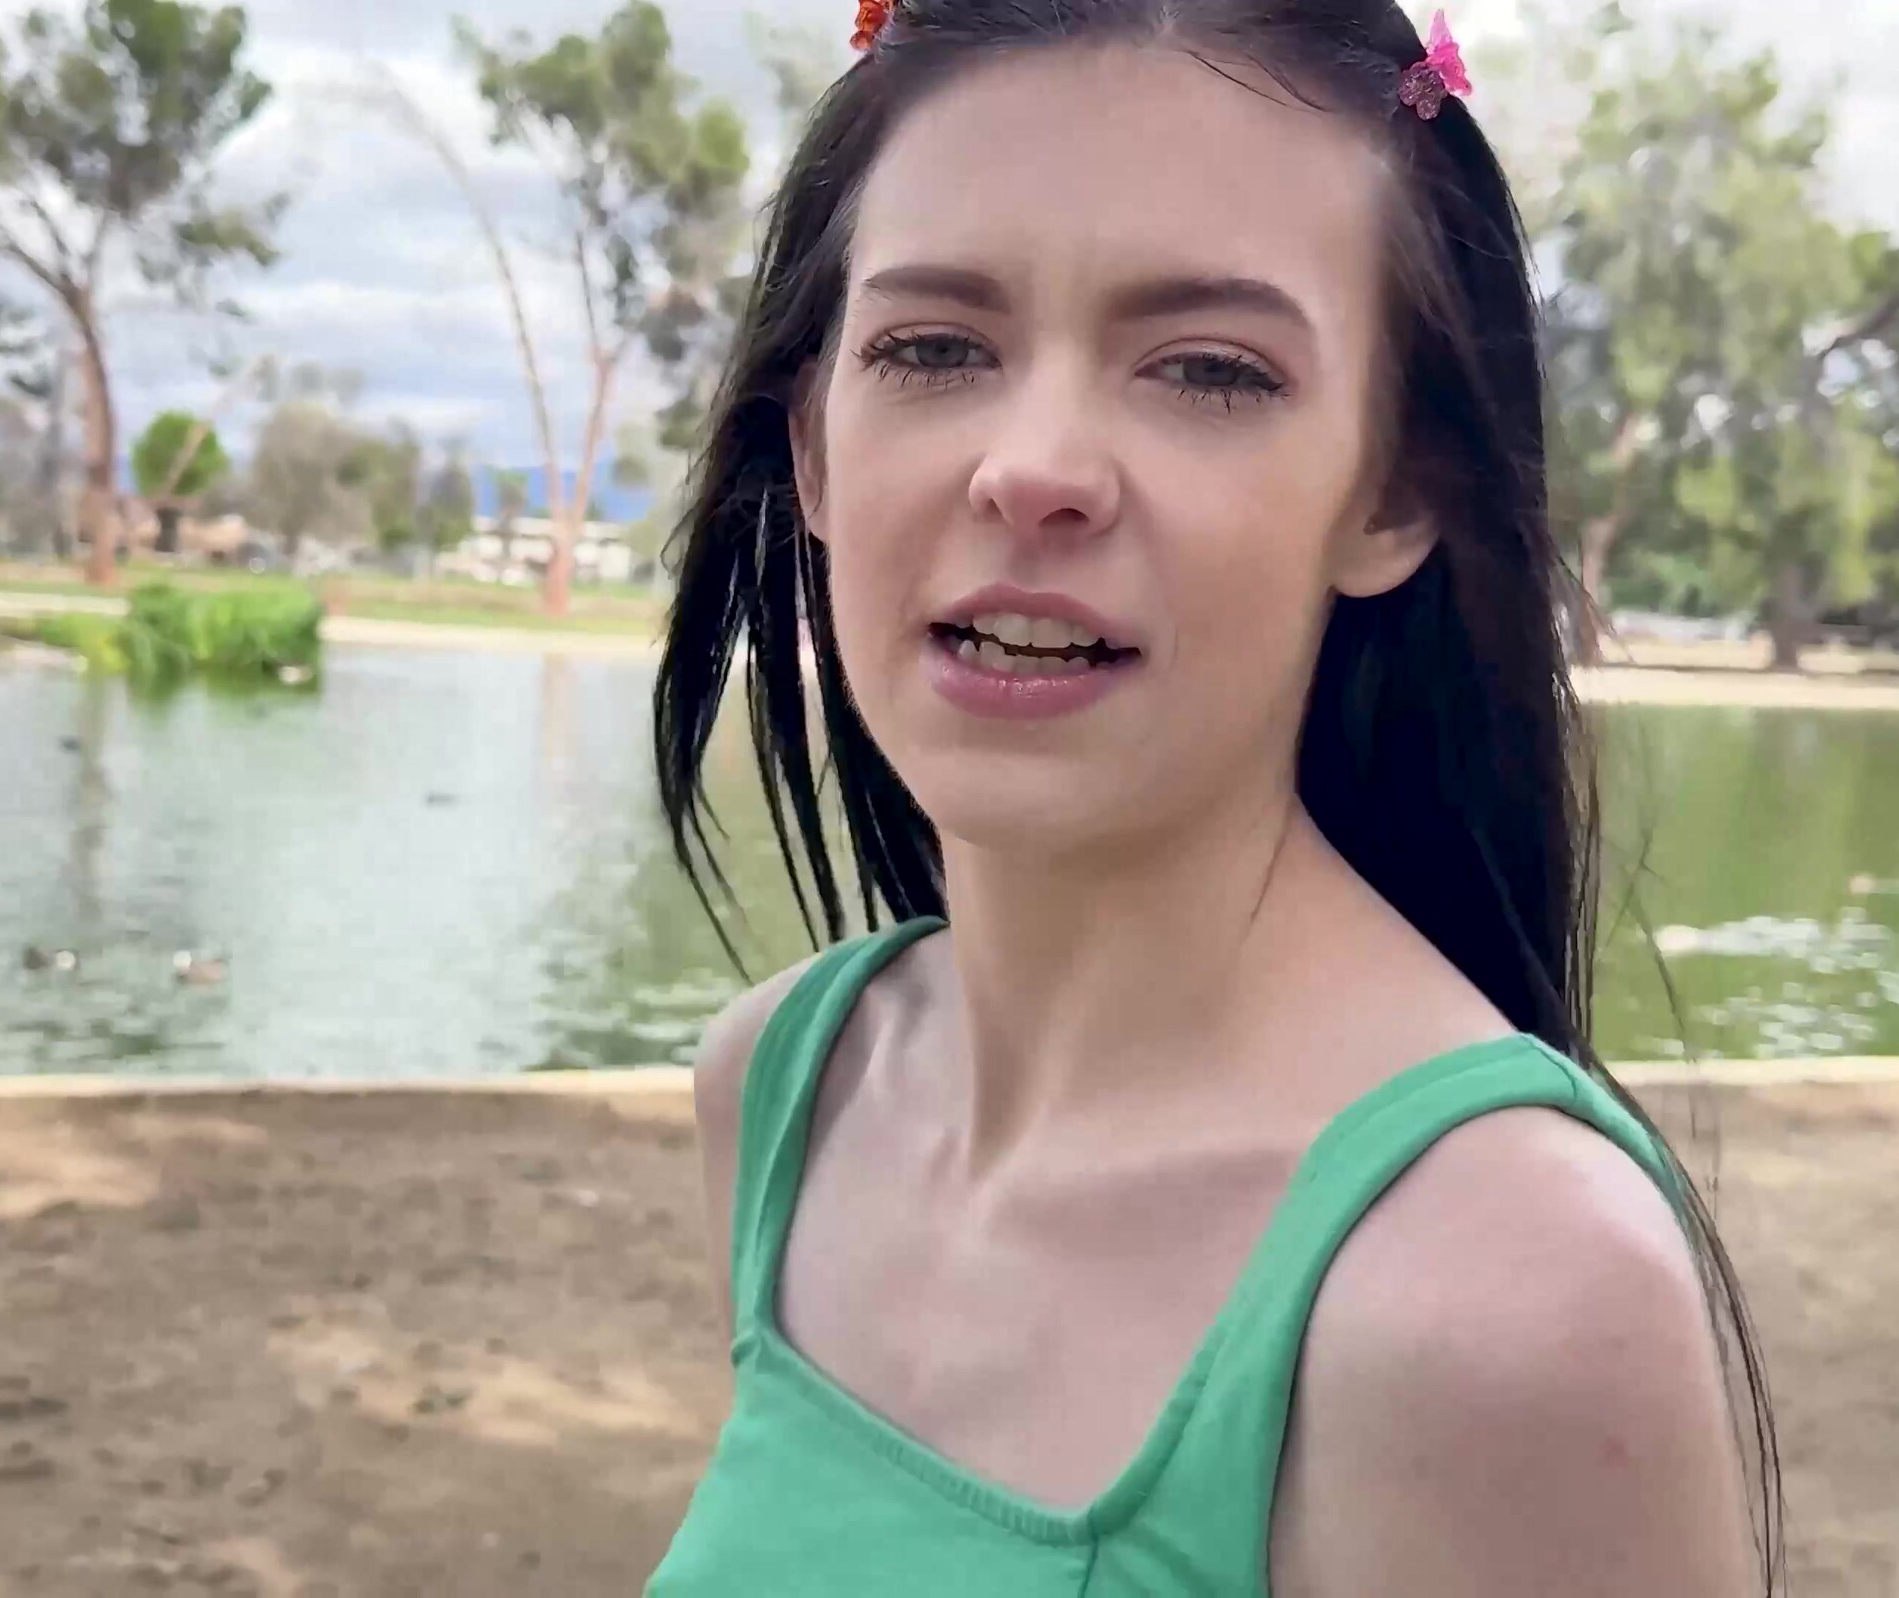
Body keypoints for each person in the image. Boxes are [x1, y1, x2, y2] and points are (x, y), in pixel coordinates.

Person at [645, 2, 1779, 1594]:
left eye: (1209, 369)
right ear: (815, 451)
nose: (1033, 467)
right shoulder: (783, 1090)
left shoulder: (1502, 1295)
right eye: (934, 348)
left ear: (1394, 490)